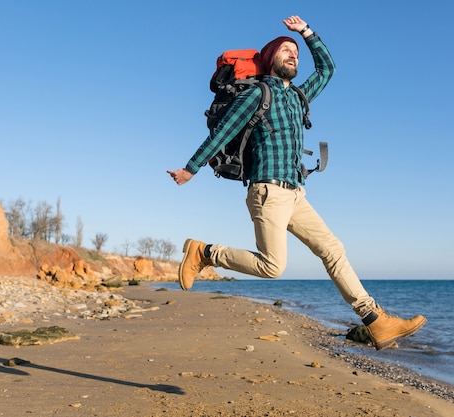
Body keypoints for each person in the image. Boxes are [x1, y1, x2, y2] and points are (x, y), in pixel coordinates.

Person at [166, 15, 426, 351]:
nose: (294, 55)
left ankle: (376, 321)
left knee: (333, 250)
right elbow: (223, 132)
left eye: (297, 54)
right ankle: (205, 252)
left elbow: (328, 70)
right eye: (286, 51)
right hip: (267, 192)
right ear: (271, 57)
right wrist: (191, 168)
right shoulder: (257, 94)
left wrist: (306, 34)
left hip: (295, 194)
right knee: (273, 266)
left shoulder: (298, 97)